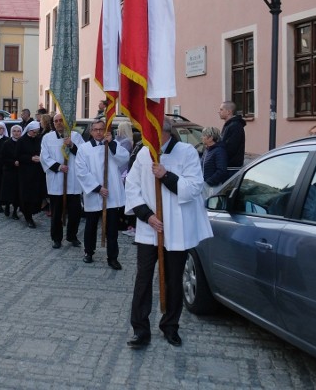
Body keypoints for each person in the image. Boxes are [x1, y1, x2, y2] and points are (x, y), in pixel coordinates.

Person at [124, 120, 213, 349]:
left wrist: (165, 175)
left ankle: (170, 326)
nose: (147, 138)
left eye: (152, 133)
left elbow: (194, 187)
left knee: (173, 279)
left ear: (165, 132)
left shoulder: (187, 152)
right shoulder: (144, 153)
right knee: (143, 279)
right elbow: (131, 186)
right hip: (149, 227)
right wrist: (146, 215)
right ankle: (140, 329)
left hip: (176, 229)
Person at [75, 118, 129, 268]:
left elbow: (124, 158)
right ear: (91, 132)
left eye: (101, 129)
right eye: (96, 129)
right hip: (94, 193)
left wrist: (111, 144)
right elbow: (81, 171)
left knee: (112, 228)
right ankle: (89, 252)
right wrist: (98, 188)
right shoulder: (84, 148)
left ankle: (112, 257)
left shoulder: (113, 145)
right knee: (91, 225)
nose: (99, 132)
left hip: (111, 194)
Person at [41, 114, 85, 249]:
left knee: (75, 212)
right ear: (53, 123)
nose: (59, 123)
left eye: (61, 121)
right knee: (56, 212)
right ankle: (56, 238)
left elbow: (84, 153)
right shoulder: (47, 138)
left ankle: (72, 235)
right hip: (56, 180)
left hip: (72, 180)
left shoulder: (75, 136)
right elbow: (44, 157)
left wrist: (71, 145)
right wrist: (58, 167)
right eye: (56, 121)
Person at [17, 121, 43, 228]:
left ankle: (32, 212)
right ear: (29, 130)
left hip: (37, 172)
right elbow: (18, 155)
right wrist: (30, 158)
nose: (35, 134)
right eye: (34, 132)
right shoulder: (22, 141)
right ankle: (28, 217)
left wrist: (39, 157)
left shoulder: (38, 139)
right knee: (26, 195)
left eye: (37, 132)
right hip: (25, 172)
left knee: (35, 194)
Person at [0, 125, 22, 220]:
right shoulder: (6, 143)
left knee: (17, 192)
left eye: (18, 131)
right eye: (14, 131)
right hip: (9, 171)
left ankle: (15, 212)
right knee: (8, 191)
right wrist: (13, 162)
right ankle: (8, 206)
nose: (16, 133)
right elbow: (3, 158)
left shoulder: (22, 143)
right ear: (11, 132)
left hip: (19, 172)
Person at [218, 101, 245, 176]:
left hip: (232, 168)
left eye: (221, 109)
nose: (219, 112)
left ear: (229, 112)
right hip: (228, 167)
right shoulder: (229, 125)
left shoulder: (235, 126)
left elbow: (231, 148)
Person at [200, 126, 229, 198]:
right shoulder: (207, 150)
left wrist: (208, 182)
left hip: (213, 188)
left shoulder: (219, 151)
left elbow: (222, 170)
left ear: (211, 138)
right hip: (204, 186)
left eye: (204, 135)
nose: (202, 137)